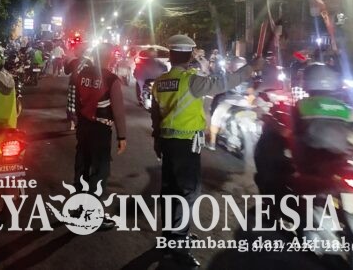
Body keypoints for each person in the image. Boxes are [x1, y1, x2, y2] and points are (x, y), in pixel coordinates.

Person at [150, 34, 263, 266]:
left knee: (170, 190)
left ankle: (171, 236)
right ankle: (178, 245)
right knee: (187, 194)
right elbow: (224, 82)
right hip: (186, 145)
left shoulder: (160, 82)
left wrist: (157, 142)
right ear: (189, 56)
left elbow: (155, 115)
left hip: (167, 143)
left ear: (171, 55)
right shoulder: (192, 81)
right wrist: (251, 68)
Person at [74, 43, 127, 230]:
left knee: (82, 166)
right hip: (100, 130)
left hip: (83, 127)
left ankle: (79, 207)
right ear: (109, 58)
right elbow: (118, 111)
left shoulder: (82, 74)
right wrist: (122, 137)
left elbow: (77, 101)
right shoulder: (111, 79)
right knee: (100, 171)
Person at [293, 63, 353, 173]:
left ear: (307, 82)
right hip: (340, 159)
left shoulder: (302, 105)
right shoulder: (345, 107)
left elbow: (293, 130)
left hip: (310, 161)